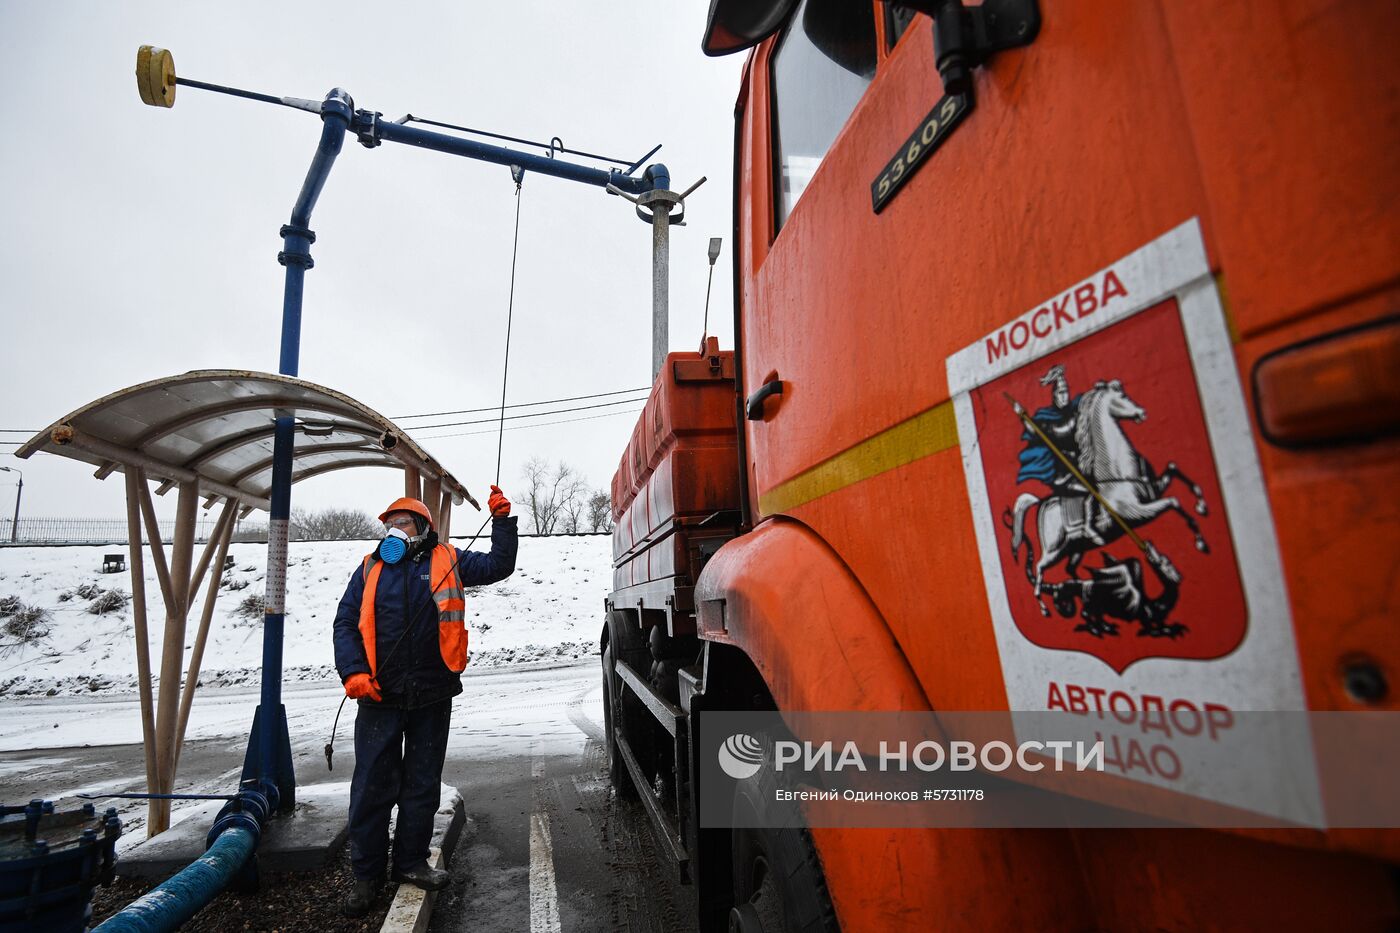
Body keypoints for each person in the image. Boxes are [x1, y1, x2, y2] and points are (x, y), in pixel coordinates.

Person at [333, 486, 516, 917]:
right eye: (389, 525)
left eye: (403, 523)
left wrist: (502, 522)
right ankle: (367, 877)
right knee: (371, 789)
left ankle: (411, 863)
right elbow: (345, 623)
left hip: (433, 693)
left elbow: (498, 565)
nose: (394, 530)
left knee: (421, 785)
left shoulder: (449, 559)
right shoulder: (368, 568)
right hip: (379, 696)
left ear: (423, 529)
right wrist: (354, 672)